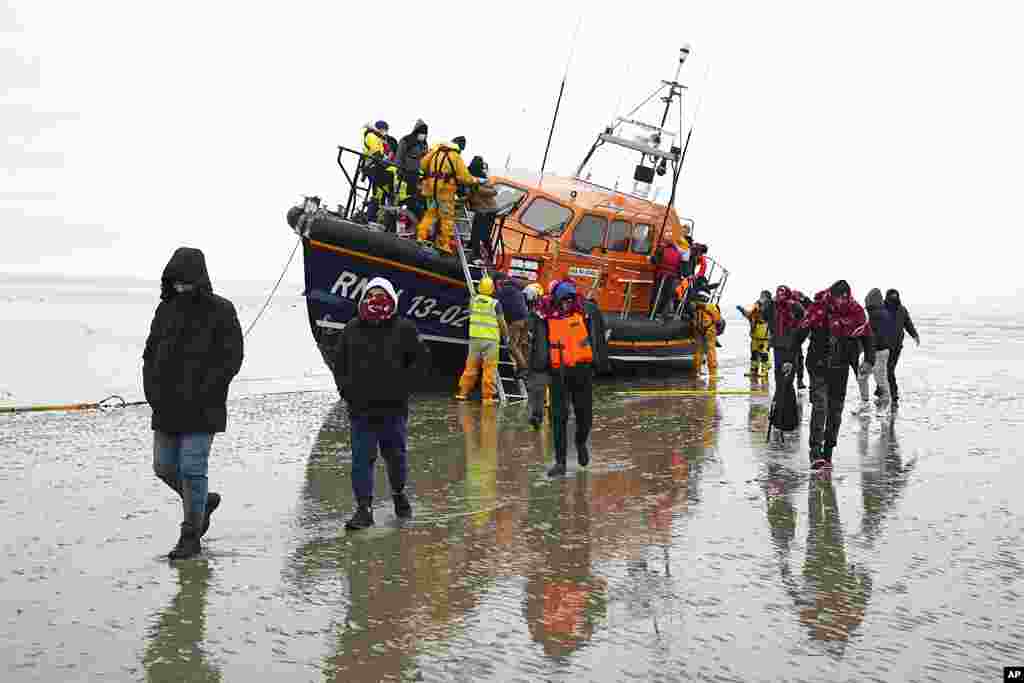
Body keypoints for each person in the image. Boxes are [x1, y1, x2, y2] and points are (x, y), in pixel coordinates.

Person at [144, 247, 244, 560]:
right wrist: (152, 391)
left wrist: (208, 388)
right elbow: (150, 353)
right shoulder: (165, 310)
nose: (181, 287)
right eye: (176, 282)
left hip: (204, 407)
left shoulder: (222, 309)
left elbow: (233, 357)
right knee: (163, 467)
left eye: (186, 281)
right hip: (166, 406)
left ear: (199, 279)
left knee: (192, 469)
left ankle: (190, 536)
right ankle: (203, 503)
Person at [330, 276, 429, 530]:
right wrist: (346, 389)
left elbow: (420, 361)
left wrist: (404, 387)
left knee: (395, 457)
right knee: (362, 460)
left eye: (381, 294)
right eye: (371, 294)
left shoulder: (404, 328)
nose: (376, 299)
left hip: (393, 410)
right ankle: (364, 509)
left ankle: (398, 495)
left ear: (391, 298)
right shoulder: (352, 328)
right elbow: (339, 362)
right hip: (360, 410)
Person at [794, 280, 875, 469]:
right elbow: (800, 332)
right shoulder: (818, 309)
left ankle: (828, 452)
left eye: (844, 298)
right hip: (818, 365)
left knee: (836, 410)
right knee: (820, 406)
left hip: (841, 367)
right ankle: (815, 451)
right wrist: (790, 359)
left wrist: (869, 360)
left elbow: (868, 336)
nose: (840, 302)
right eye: (838, 298)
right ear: (832, 295)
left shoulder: (856, 311)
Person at [530, 279, 595, 476]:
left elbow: (594, 339)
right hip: (558, 373)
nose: (567, 303)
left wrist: (599, 364)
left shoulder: (584, 312)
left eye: (569, 300)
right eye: (563, 300)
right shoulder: (544, 317)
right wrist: (539, 370)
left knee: (585, 416)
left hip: (582, 371)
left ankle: (581, 441)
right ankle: (560, 462)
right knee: (559, 417)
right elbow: (540, 347)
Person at [416, 136, 479, 254]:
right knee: (447, 218)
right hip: (446, 191)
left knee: (431, 213)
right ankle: (444, 243)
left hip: (431, 189)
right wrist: (474, 181)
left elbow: (423, 165)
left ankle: (421, 236)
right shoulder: (455, 156)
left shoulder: (436, 151)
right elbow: (464, 176)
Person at [456, 276, 509, 404]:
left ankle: (463, 393)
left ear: (479, 288)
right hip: (491, 340)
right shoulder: (495, 304)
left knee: (470, 367)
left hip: (475, 339)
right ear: (492, 290)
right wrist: (506, 336)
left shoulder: (473, 300)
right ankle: (487, 397)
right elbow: (501, 322)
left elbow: (470, 313)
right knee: (489, 369)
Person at [769, 286, 807, 435]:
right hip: (778, 348)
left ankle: (789, 421)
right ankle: (779, 419)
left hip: (790, 349)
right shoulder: (774, 307)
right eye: (778, 293)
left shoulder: (794, 306)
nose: (779, 295)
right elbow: (767, 318)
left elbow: (804, 323)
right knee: (780, 382)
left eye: (782, 293)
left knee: (787, 382)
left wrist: (796, 339)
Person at [854, 288, 896, 414]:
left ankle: (886, 406)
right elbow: (867, 333)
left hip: (880, 352)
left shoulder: (881, 315)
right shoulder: (874, 315)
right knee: (862, 376)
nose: (867, 307)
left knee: (880, 379)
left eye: (868, 304)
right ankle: (865, 403)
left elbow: (873, 336)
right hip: (870, 352)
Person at [883, 289, 920, 408]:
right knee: (882, 371)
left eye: (895, 297)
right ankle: (882, 393)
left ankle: (893, 397)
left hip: (896, 347)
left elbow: (908, 324)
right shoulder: (881, 309)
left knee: (889, 370)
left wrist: (915, 335)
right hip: (882, 346)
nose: (893, 299)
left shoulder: (902, 310)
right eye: (891, 297)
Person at [492, 272, 529, 377]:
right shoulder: (515, 288)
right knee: (521, 344)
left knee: (512, 346)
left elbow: (494, 299)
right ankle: (523, 368)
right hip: (526, 319)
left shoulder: (504, 290)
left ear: (499, 281)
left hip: (516, 321)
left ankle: (523, 368)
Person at [523, 282, 548, 429]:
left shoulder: (536, 317)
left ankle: (538, 415)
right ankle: (539, 415)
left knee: (539, 387)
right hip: (539, 359)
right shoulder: (538, 315)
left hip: (539, 360)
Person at [466, 156, 498, 263]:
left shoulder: (483, 180)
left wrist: (477, 188)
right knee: (481, 235)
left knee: (480, 235)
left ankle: (479, 256)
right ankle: (483, 255)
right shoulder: (472, 177)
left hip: (487, 211)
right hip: (483, 210)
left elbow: (493, 192)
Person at [395, 119, 429, 217]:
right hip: (405, 174)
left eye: (425, 133)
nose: (423, 135)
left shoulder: (424, 144)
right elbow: (399, 156)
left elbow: (426, 159)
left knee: (413, 199)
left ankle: (410, 220)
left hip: (417, 175)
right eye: (422, 132)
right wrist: (399, 170)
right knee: (402, 198)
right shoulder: (406, 140)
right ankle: (399, 219)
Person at [362, 120, 392, 223]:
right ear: (380, 129)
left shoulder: (380, 138)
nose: (385, 132)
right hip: (371, 166)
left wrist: (387, 152)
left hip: (379, 167)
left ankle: (379, 217)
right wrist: (385, 158)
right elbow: (377, 152)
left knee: (386, 188)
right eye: (384, 130)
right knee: (378, 192)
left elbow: (387, 151)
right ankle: (370, 217)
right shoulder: (371, 136)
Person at [739, 291, 773, 379]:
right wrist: (742, 310)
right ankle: (753, 370)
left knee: (763, 353)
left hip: (764, 334)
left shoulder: (770, 306)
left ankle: (764, 371)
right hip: (755, 334)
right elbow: (749, 315)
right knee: (754, 353)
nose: (761, 298)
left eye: (763, 296)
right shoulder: (756, 306)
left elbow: (768, 316)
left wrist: (760, 306)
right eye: (761, 296)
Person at [649, 233, 683, 317]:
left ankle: (652, 313)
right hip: (671, 277)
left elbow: (655, 261)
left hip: (660, 275)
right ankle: (660, 313)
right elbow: (679, 268)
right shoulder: (678, 253)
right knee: (666, 295)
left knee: (656, 294)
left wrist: (651, 258)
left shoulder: (661, 249)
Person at [691, 290, 722, 376]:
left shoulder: (695, 307)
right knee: (710, 351)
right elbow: (717, 319)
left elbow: (693, 320)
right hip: (709, 331)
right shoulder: (710, 306)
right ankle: (712, 373)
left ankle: (697, 371)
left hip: (698, 331)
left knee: (698, 351)